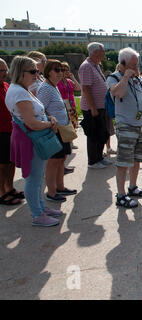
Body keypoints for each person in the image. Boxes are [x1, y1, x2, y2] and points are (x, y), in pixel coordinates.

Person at [5, 56, 62, 227]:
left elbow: (36, 114)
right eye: (32, 71)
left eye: (37, 71)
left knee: (37, 177)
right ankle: (37, 214)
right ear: (19, 72)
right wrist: (50, 123)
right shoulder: (19, 92)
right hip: (30, 139)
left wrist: (48, 118)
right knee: (34, 179)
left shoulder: (23, 90)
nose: (37, 75)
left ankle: (41, 208)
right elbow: (31, 123)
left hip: (31, 138)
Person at [107, 47, 142, 208]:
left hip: (140, 125)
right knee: (123, 161)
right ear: (123, 63)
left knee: (137, 159)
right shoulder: (113, 78)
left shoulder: (138, 79)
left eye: (137, 64)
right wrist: (125, 77)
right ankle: (120, 195)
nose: (136, 68)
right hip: (125, 125)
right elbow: (118, 93)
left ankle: (132, 187)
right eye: (133, 65)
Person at [37, 59, 77, 203]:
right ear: (48, 72)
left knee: (61, 159)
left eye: (61, 70)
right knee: (53, 161)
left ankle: (60, 187)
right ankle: (52, 192)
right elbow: (40, 109)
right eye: (56, 70)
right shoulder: (46, 88)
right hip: (54, 130)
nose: (60, 73)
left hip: (62, 129)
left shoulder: (53, 86)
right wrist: (50, 121)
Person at [78, 42, 111, 169]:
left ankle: (99, 157)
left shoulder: (95, 65)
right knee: (94, 134)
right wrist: (93, 108)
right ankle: (93, 160)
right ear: (95, 52)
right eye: (102, 51)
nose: (104, 53)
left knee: (101, 133)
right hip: (92, 108)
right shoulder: (86, 67)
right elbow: (86, 89)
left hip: (101, 106)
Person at [0, 58, 24, 206]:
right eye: (1, 71)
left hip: (10, 130)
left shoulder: (6, 86)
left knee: (10, 162)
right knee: (1, 164)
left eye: (5, 70)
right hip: (1, 132)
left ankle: (9, 187)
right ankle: (1, 192)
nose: (4, 73)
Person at [57, 61, 81, 156]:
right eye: (63, 70)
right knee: (65, 124)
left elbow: (78, 88)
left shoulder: (69, 81)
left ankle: (71, 141)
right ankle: (66, 141)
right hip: (63, 106)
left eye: (67, 70)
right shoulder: (58, 82)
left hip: (72, 105)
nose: (66, 72)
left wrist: (73, 77)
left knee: (73, 124)